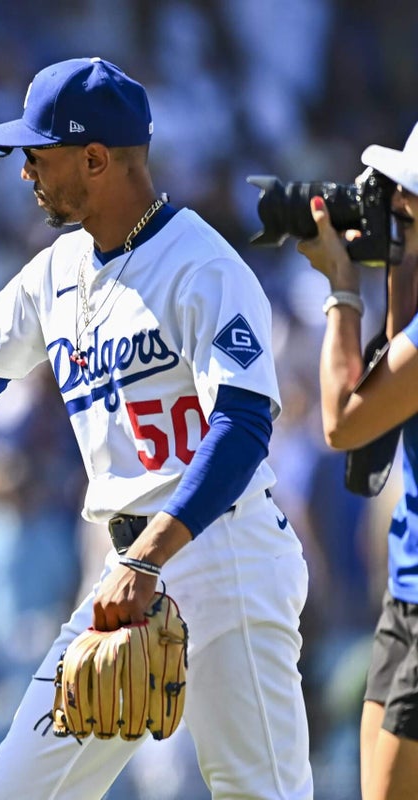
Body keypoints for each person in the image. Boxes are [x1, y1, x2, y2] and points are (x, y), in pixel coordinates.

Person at [0, 57, 313, 798]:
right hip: (127, 567)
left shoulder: (202, 264)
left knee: (259, 791)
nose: (24, 173)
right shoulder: (59, 267)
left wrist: (149, 559)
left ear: (96, 159)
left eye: (37, 156)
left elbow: (241, 427)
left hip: (224, 551)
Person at [296, 121, 418, 800]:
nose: (394, 201)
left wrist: (343, 286)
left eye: (407, 198)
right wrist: (396, 257)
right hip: (406, 596)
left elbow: (344, 422)